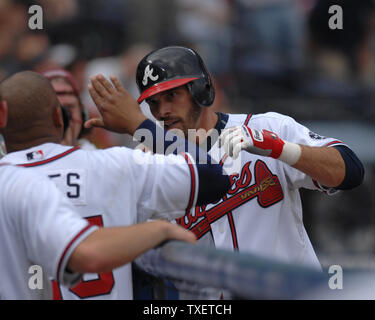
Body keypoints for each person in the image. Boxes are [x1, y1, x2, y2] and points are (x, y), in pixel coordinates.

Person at [129, 46, 364, 298]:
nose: (162, 111)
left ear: (201, 89)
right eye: (154, 102)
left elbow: (350, 171)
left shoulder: (266, 127)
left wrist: (279, 148)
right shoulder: (153, 165)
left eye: (172, 95)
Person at [0, 71, 230, 300]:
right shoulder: (114, 164)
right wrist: (139, 125)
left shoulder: (8, 182)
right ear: (60, 118)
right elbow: (211, 176)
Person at [42, 68, 96, 150]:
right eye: (55, 112)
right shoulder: (18, 159)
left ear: (83, 115)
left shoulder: (98, 158)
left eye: (68, 111)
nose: (63, 122)